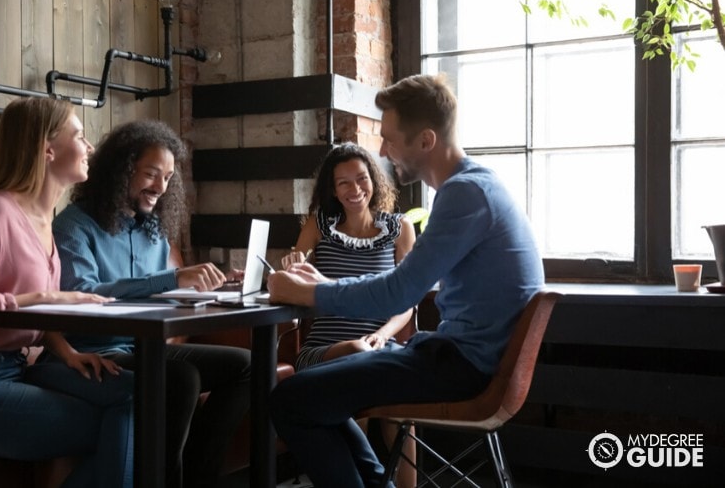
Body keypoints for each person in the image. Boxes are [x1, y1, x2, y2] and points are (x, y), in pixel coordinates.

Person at [267, 74, 545, 488]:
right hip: (461, 358)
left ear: (426, 141)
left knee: (289, 400)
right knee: (313, 393)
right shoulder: (476, 187)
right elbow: (403, 284)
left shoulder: (465, 194)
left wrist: (307, 292)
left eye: (391, 139)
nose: (382, 150)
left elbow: (398, 292)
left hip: (463, 367)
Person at [49, 119, 251, 488]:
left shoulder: (153, 233)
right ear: (120, 170)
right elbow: (83, 294)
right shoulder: (74, 226)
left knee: (247, 366)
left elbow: (158, 297)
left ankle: (193, 477)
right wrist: (173, 279)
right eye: (150, 174)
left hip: (143, 348)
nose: (160, 187)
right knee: (180, 378)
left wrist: (210, 288)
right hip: (95, 350)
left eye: (168, 177)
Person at [0, 97, 134, 488]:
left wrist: (68, 353)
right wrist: (37, 300)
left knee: (140, 392)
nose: (89, 148)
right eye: (80, 136)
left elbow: (38, 313)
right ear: (47, 149)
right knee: (125, 418)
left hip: (18, 369)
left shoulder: (42, 220)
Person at [280, 142, 418, 486]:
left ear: (374, 180)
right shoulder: (319, 225)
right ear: (332, 189)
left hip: (379, 345)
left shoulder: (400, 229)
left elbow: (408, 301)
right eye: (343, 182)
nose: (354, 189)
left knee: (399, 406)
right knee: (359, 357)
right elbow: (293, 275)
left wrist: (384, 334)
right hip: (323, 350)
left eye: (361, 179)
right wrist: (294, 264)